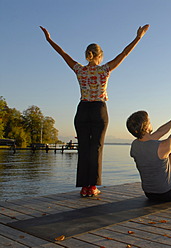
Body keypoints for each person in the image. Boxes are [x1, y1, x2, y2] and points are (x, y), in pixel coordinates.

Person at [40, 24, 150, 197]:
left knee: (84, 148)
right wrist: (138, 37)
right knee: (96, 148)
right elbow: (125, 53)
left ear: (87, 55)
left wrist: (49, 39)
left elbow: (63, 54)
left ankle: (84, 187)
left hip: (82, 110)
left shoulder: (79, 70)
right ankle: (93, 187)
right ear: (100, 56)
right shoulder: (104, 70)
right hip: (99, 110)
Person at [126, 110, 171, 202]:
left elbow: (161, 131)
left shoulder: (134, 146)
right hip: (169, 193)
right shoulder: (161, 147)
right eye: (149, 121)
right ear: (146, 126)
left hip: (150, 194)